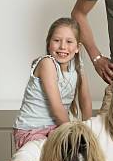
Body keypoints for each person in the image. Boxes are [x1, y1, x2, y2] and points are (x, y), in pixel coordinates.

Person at [11, 17, 92, 151]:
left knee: (79, 152)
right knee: (55, 153)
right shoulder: (47, 64)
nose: (63, 46)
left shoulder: (77, 66)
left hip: (55, 128)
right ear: (49, 44)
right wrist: (74, 135)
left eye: (69, 41)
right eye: (57, 40)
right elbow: (57, 108)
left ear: (77, 47)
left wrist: (89, 130)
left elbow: (85, 100)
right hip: (32, 129)